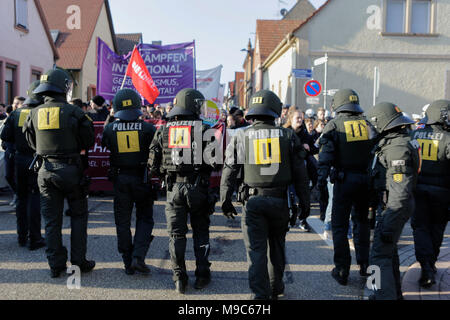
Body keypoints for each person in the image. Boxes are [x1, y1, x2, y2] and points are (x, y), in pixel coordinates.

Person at [220, 90, 310, 300]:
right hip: (280, 201)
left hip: (253, 202)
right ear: (275, 110)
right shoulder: (288, 136)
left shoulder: (242, 135)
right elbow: (300, 174)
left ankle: (260, 296)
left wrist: (225, 199)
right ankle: (275, 286)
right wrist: (305, 203)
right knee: (277, 247)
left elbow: (229, 169)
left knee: (256, 251)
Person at [23, 68, 96, 278]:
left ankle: (55, 264)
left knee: (51, 220)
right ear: (64, 86)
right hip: (71, 169)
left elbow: (31, 142)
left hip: (45, 170)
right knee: (79, 217)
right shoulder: (75, 112)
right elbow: (88, 141)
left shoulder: (33, 113)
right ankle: (79, 262)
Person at [148, 88, 216, 294]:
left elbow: (152, 164)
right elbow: (215, 163)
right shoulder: (205, 130)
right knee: (201, 232)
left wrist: (166, 175)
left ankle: (179, 278)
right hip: (198, 188)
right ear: (195, 105)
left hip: (173, 188)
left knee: (176, 235)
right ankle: (202, 275)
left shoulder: (163, 130)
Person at [317, 89, 373, 285]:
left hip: (344, 181)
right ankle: (366, 266)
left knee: (340, 227)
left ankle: (342, 269)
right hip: (365, 182)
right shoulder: (368, 124)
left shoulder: (334, 125)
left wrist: (320, 180)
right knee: (362, 224)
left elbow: (325, 156)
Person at [366, 102, 421, 300]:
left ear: (381, 123)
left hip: (395, 207)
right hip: (394, 205)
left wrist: (389, 222)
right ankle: (394, 294)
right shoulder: (398, 141)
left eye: (372, 125)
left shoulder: (397, 148)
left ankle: (379, 295)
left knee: (378, 255)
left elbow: (400, 191)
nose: (370, 129)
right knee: (389, 254)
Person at [102, 88, 156, 275]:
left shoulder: (110, 128)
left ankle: (127, 261)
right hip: (142, 177)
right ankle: (138, 257)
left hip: (120, 178)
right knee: (145, 217)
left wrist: (111, 117)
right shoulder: (149, 128)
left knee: (122, 221)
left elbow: (105, 143)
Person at [0, 80, 45, 250]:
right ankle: (35, 238)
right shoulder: (42, 113)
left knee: (21, 198)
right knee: (34, 198)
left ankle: (21, 236)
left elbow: (5, 136)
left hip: (19, 160)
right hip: (36, 160)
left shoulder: (16, 113)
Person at [410, 100, 450, 288]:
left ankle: (426, 266)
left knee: (420, 229)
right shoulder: (448, 137)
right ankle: (430, 264)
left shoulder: (415, 133)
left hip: (418, 189)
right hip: (442, 191)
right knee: (437, 229)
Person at [284, 106, 318, 231]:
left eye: (301, 118)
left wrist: (310, 146)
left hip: (303, 170)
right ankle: (288, 218)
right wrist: (300, 148)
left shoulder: (305, 133)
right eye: (297, 118)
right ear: (291, 118)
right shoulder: (284, 132)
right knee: (288, 196)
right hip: (287, 169)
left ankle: (303, 219)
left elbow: (313, 149)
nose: (300, 120)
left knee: (304, 197)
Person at [2, 105, 17, 207]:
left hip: (20, 152)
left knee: (18, 177)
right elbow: (3, 135)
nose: (16, 105)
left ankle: (18, 197)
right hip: (9, 151)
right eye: (15, 103)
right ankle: (17, 193)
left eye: (19, 103)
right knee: (8, 175)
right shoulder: (11, 117)